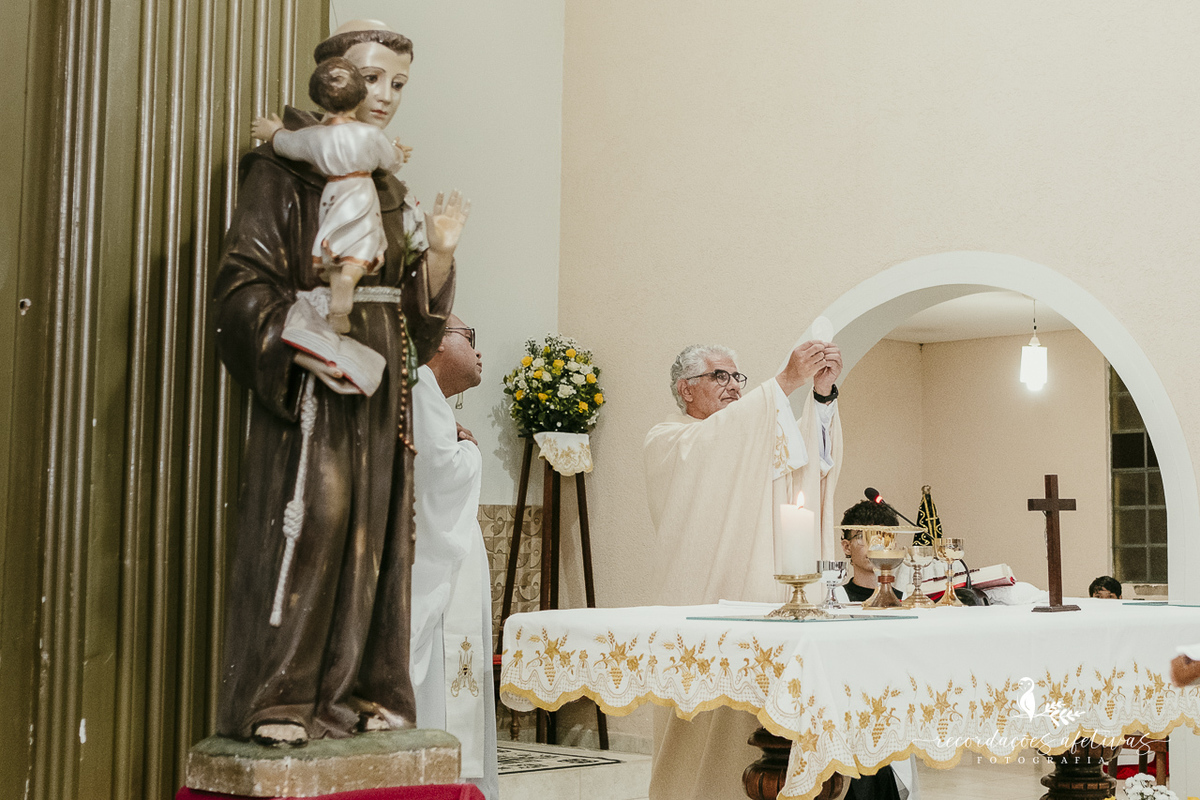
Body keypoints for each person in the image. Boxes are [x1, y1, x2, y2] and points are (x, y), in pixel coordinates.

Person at [213, 19, 468, 745]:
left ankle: (360, 690)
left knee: (374, 531)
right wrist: (289, 335)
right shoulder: (282, 170)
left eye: (399, 84)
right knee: (316, 521)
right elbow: (240, 283)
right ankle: (281, 699)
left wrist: (442, 258)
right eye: (372, 76)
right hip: (318, 366)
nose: (384, 95)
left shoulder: (387, 179)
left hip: (379, 368)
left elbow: (417, 308)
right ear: (334, 77)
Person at [643, 339, 842, 800]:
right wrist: (785, 381)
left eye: (738, 377)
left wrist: (820, 398)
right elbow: (722, 439)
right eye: (720, 376)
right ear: (685, 389)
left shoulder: (752, 435)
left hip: (761, 600)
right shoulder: (671, 439)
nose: (733, 386)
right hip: (701, 598)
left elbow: (808, 466)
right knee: (698, 733)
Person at [252, 56, 413, 334]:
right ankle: (347, 287)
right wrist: (400, 152)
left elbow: (287, 144)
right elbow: (389, 161)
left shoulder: (315, 136)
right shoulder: (368, 135)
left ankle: (340, 281)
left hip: (333, 194)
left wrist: (273, 132)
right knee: (360, 242)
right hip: (359, 193)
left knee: (338, 240)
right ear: (360, 97)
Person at [410, 315, 498, 799]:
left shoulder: (427, 394)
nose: (479, 351)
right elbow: (439, 473)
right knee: (436, 695)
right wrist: (471, 452)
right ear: (435, 343)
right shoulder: (419, 384)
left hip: (444, 569)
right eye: (470, 337)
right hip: (429, 575)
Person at [838, 499, 905, 603]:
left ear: (892, 546)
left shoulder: (905, 599)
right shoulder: (837, 598)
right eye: (862, 536)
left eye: (882, 536)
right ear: (847, 547)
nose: (874, 545)